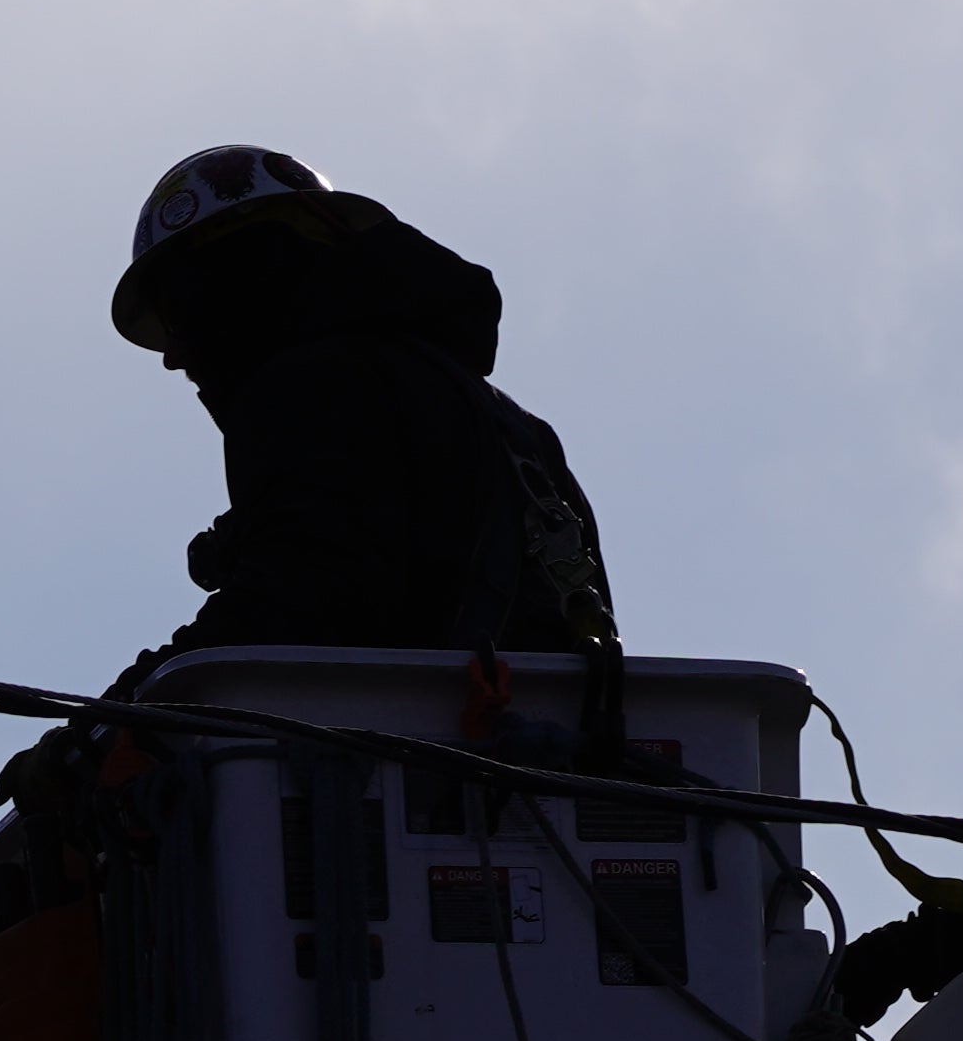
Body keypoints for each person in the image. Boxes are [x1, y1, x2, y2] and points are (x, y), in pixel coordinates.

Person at [104, 144, 618, 659]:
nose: (173, 356)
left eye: (175, 314)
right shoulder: (518, 431)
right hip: (533, 731)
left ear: (233, 274)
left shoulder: (310, 389)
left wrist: (120, 718)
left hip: (411, 729)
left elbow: (289, 611)